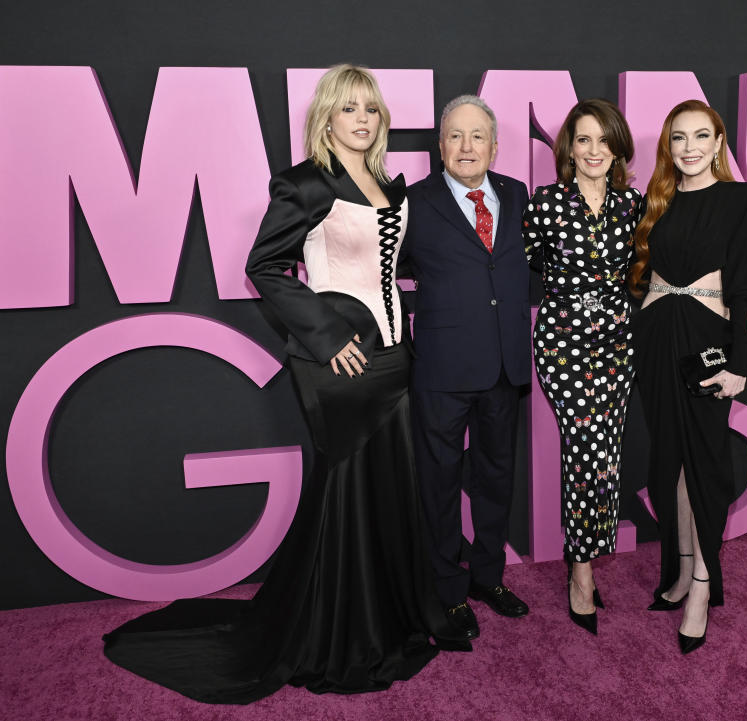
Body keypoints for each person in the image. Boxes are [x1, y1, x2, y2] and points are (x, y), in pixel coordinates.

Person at [102, 64, 463, 704]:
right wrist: (327, 338)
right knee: (345, 493)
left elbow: (391, 262)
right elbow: (265, 265)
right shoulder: (305, 184)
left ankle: (389, 616)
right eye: (348, 108)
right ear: (326, 117)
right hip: (341, 364)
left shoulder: (385, 184)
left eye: (370, 109)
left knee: (387, 490)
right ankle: (341, 634)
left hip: (394, 359)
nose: (362, 119)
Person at [628, 99, 747, 654]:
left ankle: (704, 588)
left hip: (707, 343)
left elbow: (745, 287)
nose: (689, 148)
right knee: (668, 463)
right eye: (678, 138)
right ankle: (682, 570)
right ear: (668, 145)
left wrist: (738, 363)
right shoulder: (654, 201)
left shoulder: (740, 199)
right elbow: (639, 277)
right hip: (657, 338)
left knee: (705, 462)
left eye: (700, 136)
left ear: (718, 141)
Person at [400, 95, 531, 640]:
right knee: (440, 482)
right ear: (440, 146)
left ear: (495, 146)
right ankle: (446, 589)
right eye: (455, 136)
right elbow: (392, 272)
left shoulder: (518, 195)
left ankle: (488, 576)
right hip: (442, 369)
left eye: (477, 136)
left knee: (496, 478)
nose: (466, 146)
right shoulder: (412, 202)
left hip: (504, 365)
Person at [522, 99, 641, 634]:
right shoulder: (545, 203)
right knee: (586, 445)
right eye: (583, 140)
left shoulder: (633, 204)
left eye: (603, 140)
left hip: (617, 344)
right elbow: (522, 268)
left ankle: (587, 559)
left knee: (607, 451)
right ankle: (581, 570)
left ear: (618, 147)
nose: (594, 150)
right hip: (563, 345)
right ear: (568, 147)